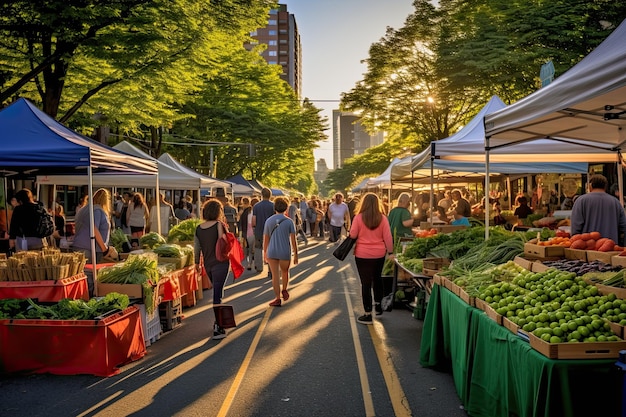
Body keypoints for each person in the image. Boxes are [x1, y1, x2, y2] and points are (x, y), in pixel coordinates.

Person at [348, 193, 394, 324]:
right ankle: (379, 306)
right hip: (379, 253)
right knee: (377, 279)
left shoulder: (358, 218)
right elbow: (388, 237)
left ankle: (367, 314)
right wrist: (390, 252)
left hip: (362, 254)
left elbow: (353, 234)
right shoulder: (383, 218)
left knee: (365, 283)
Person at [194, 199, 231, 339]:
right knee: (218, 294)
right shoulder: (219, 225)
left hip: (208, 265)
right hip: (221, 263)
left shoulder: (198, 228)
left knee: (216, 292)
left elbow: (196, 249)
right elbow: (225, 241)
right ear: (218, 211)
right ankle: (218, 326)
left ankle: (218, 322)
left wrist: (196, 264)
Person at [72, 188, 118, 296]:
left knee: (83, 275)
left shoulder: (85, 209)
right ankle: (89, 299)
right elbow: (94, 228)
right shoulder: (97, 210)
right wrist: (104, 249)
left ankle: (84, 298)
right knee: (90, 277)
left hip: (80, 246)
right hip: (89, 248)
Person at [571, 174, 626, 245]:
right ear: (605, 186)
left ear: (590, 186)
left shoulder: (581, 201)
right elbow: (623, 226)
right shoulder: (615, 202)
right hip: (611, 248)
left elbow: (576, 227)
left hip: (587, 248)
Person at [263, 196, 298, 307]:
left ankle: (277, 298)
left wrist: (265, 252)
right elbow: (293, 240)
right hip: (284, 251)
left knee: (275, 276)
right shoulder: (289, 222)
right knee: (285, 272)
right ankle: (284, 289)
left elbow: (266, 239)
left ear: (275, 208)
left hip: (272, 251)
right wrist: (296, 254)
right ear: (286, 208)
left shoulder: (268, 221)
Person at [252, 188, 274, 273]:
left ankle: (259, 267)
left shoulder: (256, 206)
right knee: (270, 249)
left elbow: (254, 220)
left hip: (259, 230)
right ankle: (270, 268)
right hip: (271, 231)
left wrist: (254, 227)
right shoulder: (273, 205)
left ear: (261, 195)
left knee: (258, 248)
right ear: (270, 195)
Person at [238, 197, 257, 270]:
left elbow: (240, 223)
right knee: (254, 249)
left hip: (247, 232)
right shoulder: (254, 212)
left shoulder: (244, 211)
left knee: (248, 249)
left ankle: (249, 264)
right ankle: (254, 263)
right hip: (254, 231)